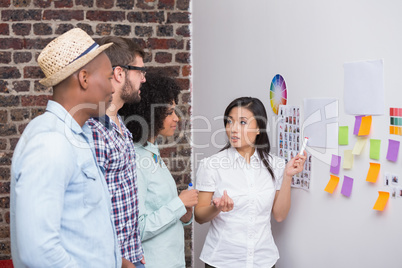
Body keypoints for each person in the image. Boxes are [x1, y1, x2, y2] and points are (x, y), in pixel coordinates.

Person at [10, 28, 121, 267]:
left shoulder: (76, 136)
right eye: (109, 77)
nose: (113, 88)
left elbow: (80, 227)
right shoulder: (51, 142)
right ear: (84, 78)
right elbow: (39, 251)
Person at [194, 97, 306, 268]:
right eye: (229, 122)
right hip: (222, 261)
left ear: (259, 128)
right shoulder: (211, 164)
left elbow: (279, 215)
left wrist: (288, 176)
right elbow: (199, 216)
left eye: (243, 122)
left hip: (263, 260)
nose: (233, 129)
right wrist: (217, 208)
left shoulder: (276, 165)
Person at [118, 73, 198, 268]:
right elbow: (139, 228)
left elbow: (160, 209)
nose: (176, 118)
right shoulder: (136, 160)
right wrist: (179, 203)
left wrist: (184, 214)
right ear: (150, 114)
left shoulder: (151, 154)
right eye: (169, 112)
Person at [86, 36, 146, 268]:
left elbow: (124, 197)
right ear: (119, 74)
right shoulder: (93, 131)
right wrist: (119, 261)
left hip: (130, 256)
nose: (143, 78)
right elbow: (90, 207)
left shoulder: (120, 123)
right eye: (140, 71)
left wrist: (135, 251)